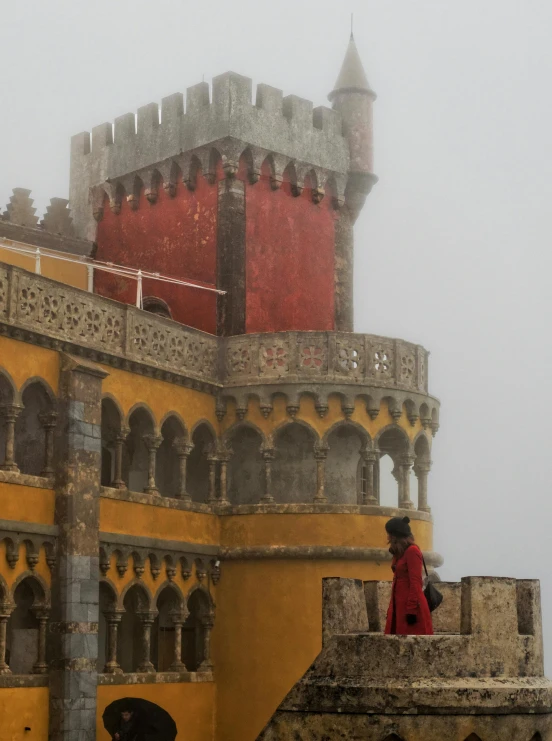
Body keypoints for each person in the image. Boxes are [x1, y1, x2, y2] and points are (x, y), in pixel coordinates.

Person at [384, 516, 433, 636]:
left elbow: (416, 582)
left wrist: (411, 609)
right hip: (399, 605)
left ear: (394, 536)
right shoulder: (401, 552)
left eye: (389, 534)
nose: (388, 538)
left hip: (411, 607)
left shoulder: (412, 551)